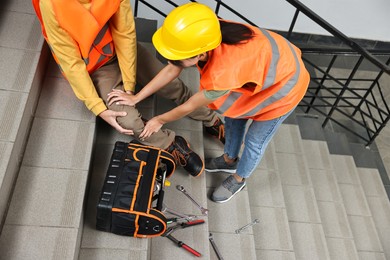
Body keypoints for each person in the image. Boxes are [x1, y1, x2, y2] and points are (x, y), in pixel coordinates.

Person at [110, 3, 310, 202]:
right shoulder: (206, 32)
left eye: (178, 59)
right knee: (233, 118)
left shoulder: (223, 72)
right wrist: (136, 97)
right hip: (268, 71)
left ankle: (239, 179)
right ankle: (229, 159)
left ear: (201, 54)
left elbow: (190, 105)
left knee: (254, 142)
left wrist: (159, 120)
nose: (172, 62)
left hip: (284, 90)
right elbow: (172, 69)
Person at [32, 0, 225, 177]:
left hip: (123, 50)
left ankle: (212, 121)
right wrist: (98, 108)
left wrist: (130, 89)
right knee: (128, 121)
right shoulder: (51, 4)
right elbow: (71, 62)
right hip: (96, 67)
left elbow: (125, 34)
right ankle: (171, 144)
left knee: (171, 85)